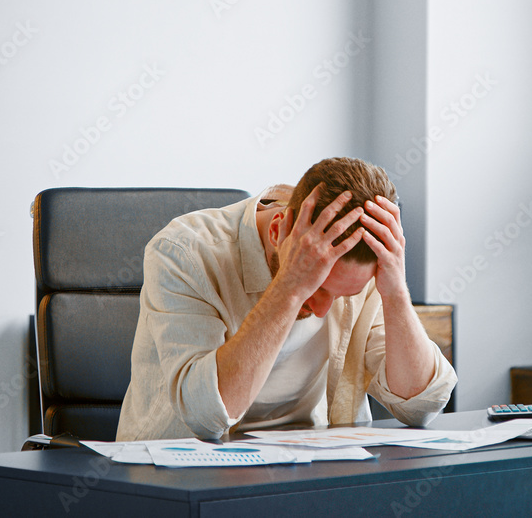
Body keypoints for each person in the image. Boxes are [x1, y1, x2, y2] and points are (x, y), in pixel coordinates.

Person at [117, 157, 457, 441]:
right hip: (182, 479)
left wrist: (396, 290)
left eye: (343, 294)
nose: (324, 308)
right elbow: (206, 416)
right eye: (318, 287)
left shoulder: (361, 270)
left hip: (306, 474)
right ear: (279, 230)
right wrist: (291, 287)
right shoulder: (184, 252)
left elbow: (422, 406)